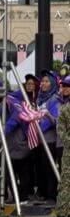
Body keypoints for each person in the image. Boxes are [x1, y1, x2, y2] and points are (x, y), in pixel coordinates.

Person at [37, 73, 63, 202]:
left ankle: (51, 195)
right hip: (41, 140)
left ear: (52, 83)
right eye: (42, 81)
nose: (43, 84)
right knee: (42, 168)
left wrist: (39, 128)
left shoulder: (54, 100)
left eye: (46, 81)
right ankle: (44, 193)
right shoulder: (40, 98)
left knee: (50, 168)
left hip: (51, 141)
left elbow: (55, 122)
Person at [56, 78, 70, 217]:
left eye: (67, 86)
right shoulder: (64, 109)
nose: (65, 89)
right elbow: (61, 130)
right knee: (65, 185)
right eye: (63, 86)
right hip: (68, 152)